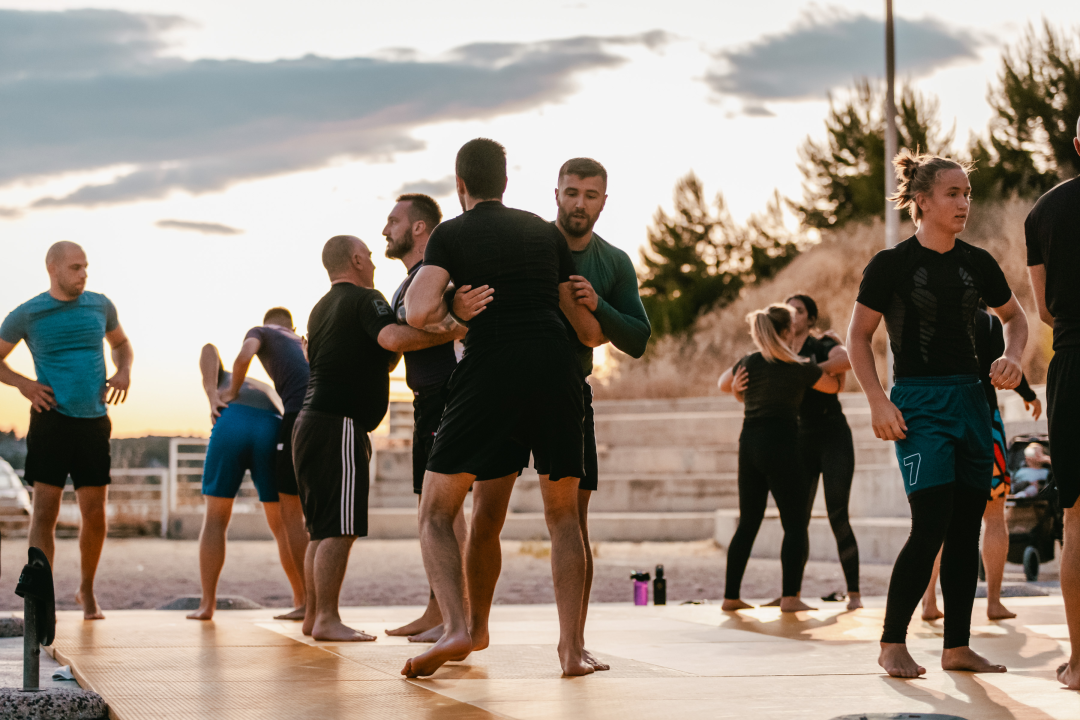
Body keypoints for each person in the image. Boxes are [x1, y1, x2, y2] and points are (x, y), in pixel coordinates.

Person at [401, 138, 603, 678]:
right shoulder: (543, 230)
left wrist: (451, 310)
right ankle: (569, 650)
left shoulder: (451, 232)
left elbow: (418, 311)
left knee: (437, 512)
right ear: (506, 183)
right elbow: (583, 324)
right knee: (564, 519)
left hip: (490, 373)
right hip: (556, 371)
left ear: (460, 185)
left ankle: (459, 627)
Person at [466, 157, 651, 673]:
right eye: (571, 192)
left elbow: (637, 337)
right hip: (505, 391)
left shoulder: (612, 262)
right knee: (486, 513)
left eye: (590, 195)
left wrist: (599, 306)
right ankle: (475, 628)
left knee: (571, 521)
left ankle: (572, 645)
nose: (579, 204)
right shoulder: (527, 243)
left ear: (603, 202)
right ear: (556, 194)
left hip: (569, 392)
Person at [848, 150, 1027, 679]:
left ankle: (956, 647)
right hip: (920, 405)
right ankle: (891, 642)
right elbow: (858, 336)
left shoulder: (978, 261)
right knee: (928, 524)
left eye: (967, 193)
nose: (963, 202)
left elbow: (1016, 318)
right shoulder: (891, 265)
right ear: (921, 201)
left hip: (973, 401)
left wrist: (1013, 357)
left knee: (967, 526)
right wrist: (878, 401)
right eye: (953, 193)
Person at [293, 234, 459, 642]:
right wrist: (453, 329)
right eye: (367, 256)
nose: (372, 261)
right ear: (355, 259)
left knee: (320, 528)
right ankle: (329, 619)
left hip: (309, 423)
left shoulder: (321, 308)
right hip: (340, 424)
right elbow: (392, 340)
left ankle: (315, 617)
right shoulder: (366, 299)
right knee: (340, 528)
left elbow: (380, 357)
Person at [0, 241, 133, 620]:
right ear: (53, 270)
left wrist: (123, 369)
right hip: (51, 421)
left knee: (95, 515)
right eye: (75, 267)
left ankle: (87, 592)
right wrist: (25, 384)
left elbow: (121, 344)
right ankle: (43, 601)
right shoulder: (27, 314)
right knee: (45, 513)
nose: (84, 274)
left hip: (93, 422)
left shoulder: (100, 305)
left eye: (86, 266)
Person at [379, 193, 480, 641]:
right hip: (426, 401)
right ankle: (436, 608)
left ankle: (455, 618)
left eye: (393, 221)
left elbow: (455, 327)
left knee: (446, 512)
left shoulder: (438, 277)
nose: (385, 229)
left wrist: (406, 337)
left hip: (448, 396)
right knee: (432, 510)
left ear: (419, 228)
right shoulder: (409, 282)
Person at [921, 302, 1042, 622]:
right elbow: (1004, 370)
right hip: (983, 424)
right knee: (994, 515)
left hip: (937, 425)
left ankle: (929, 600)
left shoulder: (928, 321)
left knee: (936, 517)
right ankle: (992, 602)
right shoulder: (988, 324)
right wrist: (1029, 395)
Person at [718, 304, 840, 613]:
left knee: (748, 522)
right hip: (783, 446)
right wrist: (833, 350)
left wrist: (736, 390)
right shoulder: (798, 366)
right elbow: (832, 385)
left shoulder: (748, 362)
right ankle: (790, 598)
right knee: (795, 524)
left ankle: (730, 598)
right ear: (787, 331)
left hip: (749, 446)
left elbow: (723, 383)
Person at [1025, 114, 1080, 690]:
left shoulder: (1043, 211)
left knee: (1075, 516)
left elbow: (1043, 311)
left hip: (1074, 363)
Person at [188, 344, 299, 621]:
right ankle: (302, 600)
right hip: (272, 426)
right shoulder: (270, 387)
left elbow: (208, 350)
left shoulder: (226, 378)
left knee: (215, 519)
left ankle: (207, 605)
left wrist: (212, 396)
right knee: (283, 524)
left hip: (232, 420)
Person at [220, 307, 311, 621]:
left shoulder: (262, 332)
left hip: (297, 416)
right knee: (313, 515)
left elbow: (245, 356)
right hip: (324, 416)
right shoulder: (301, 340)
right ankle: (318, 604)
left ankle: (308, 603)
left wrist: (230, 391)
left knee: (291, 515)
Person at [786, 293, 861, 610]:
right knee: (795, 520)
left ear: (811, 319)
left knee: (837, 513)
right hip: (799, 439)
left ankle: (854, 594)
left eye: (799, 310)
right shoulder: (779, 351)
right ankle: (791, 595)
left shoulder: (819, 344)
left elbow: (849, 358)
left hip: (833, 436)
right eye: (788, 309)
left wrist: (809, 370)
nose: (792, 314)